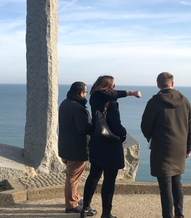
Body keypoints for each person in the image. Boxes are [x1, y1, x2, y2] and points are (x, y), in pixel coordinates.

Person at [81, 75, 141, 218]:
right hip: (110, 145)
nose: (114, 88)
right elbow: (116, 125)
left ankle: (85, 208)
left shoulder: (93, 98)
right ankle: (106, 213)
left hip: (96, 141)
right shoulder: (111, 103)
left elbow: (113, 94)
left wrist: (130, 93)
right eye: (113, 85)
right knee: (109, 180)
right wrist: (124, 134)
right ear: (110, 87)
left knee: (94, 175)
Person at [140, 72, 191, 218]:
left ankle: (168, 216)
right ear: (172, 83)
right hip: (179, 148)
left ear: (158, 85)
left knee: (165, 187)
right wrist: (188, 148)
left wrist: (152, 138)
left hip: (161, 149)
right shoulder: (185, 101)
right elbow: (190, 127)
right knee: (176, 182)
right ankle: (179, 214)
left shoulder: (154, 102)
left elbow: (145, 126)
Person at [58, 82, 97, 216]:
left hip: (65, 146)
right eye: (85, 92)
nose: (85, 94)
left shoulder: (64, 103)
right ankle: (71, 205)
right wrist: (96, 124)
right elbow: (83, 128)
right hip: (77, 149)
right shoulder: (78, 108)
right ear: (81, 93)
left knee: (71, 176)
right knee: (73, 178)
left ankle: (73, 198)